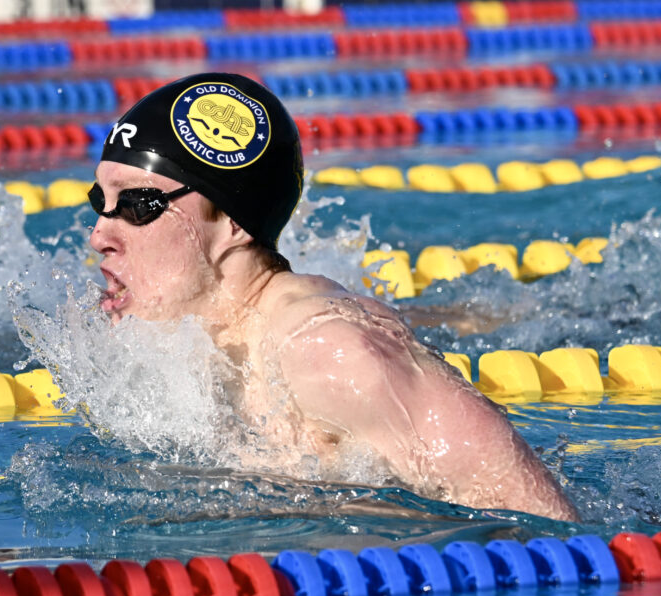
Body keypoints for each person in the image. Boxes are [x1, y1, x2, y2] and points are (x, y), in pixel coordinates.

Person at [88, 72, 579, 522]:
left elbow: (552, 531)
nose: (99, 235)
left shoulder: (330, 353)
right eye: (100, 204)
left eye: (136, 205)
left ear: (232, 221)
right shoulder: (191, 347)